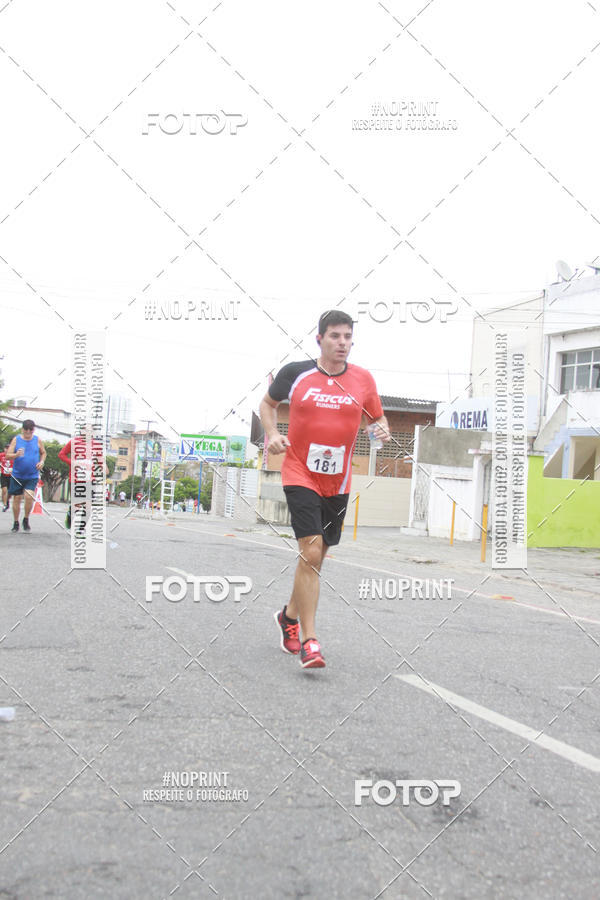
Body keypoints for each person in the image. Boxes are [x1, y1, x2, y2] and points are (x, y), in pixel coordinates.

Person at [259, 310, 390, 669]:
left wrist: (381, 430)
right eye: (335, 336)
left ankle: (287, 616)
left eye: (348, 337)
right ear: (320, 339)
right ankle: (309, 641)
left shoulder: (363, 380)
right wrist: (272, 434)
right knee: (311, 551)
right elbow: (267, 405)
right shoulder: (296, 374)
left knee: (315, 558)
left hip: (339, 479)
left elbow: (377, 417)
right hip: (299, 471)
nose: (342, 343)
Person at [58, 436, 108, 530]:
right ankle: (70, 513)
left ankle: (81, 529)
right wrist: (72, 463)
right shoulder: (74, 442)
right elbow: (61, 454)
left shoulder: (96, 445)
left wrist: (104, 467)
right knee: (77, 504)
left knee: (88, 505)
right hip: (76, 479)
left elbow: (100, 460)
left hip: (90, 479)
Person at [5, 420, 46, 533]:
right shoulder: (16, 439)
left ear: (33, 430)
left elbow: (43, 452)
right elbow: (7, 455)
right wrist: (16, 455)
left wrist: (42, 461)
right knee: (17, 498)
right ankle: (16, 522)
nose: (28, 432)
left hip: (32, 475)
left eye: (30, 430)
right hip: (17, 475)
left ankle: (26, 518)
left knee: (29, 496)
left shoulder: (37, 439)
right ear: (22, 429)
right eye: (26, 429)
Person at [0, 447, 13, 511]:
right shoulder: (1, 455)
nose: (7, 449)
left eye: (8, 448)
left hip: (11, 476)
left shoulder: (13, 456)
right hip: (3, 475)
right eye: (6, 448)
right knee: (4, 490)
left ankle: (7, 500)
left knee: (10, 492)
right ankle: (5, 505)